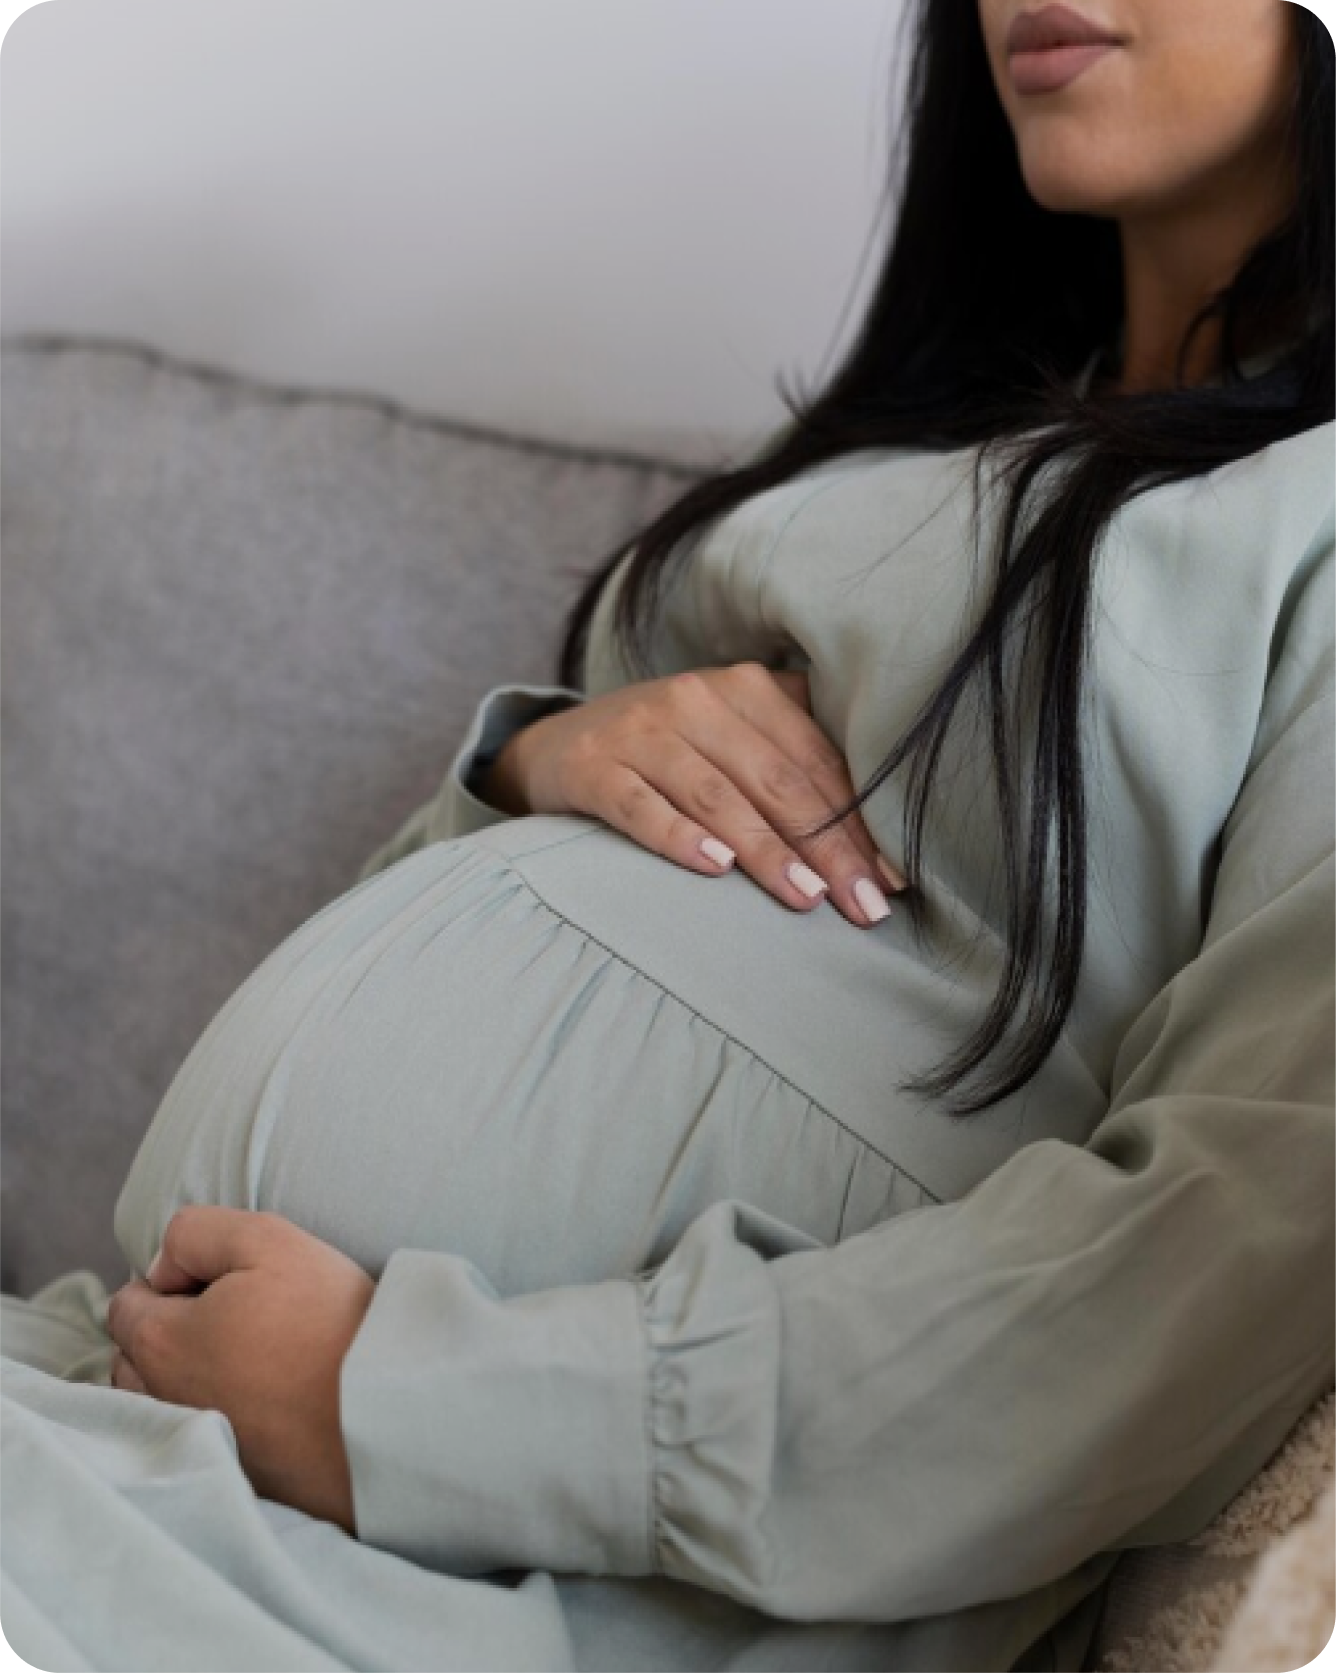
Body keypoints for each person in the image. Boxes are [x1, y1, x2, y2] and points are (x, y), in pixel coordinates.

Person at [4, 2, 1335, 1670]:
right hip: (144, 1388)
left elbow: (1211, 1271)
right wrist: (538, 767)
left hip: (525, 1569)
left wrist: (397, 1406)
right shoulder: (898, 461)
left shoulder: (1311, 522)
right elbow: (435, 939)